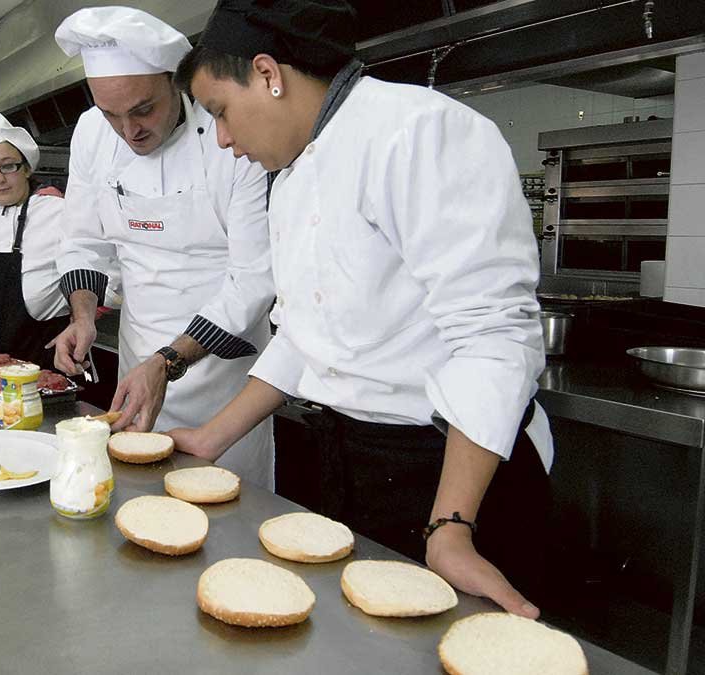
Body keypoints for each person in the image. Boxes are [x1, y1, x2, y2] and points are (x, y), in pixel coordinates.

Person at [170, 0, 554, 619]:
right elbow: (304, 334)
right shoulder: (293, 174)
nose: (224, 139)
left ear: (268, 73)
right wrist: (208, 439)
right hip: (354, 457)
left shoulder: (420, 131)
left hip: (453, 469)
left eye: (219, 112)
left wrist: (451, 526)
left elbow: (493, 338)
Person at [49, 7, 277, 488]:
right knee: (141, 501)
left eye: (143, 109)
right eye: (112, 114)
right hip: (138, 363)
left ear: (176, 83)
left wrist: (167, 362)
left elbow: (254, 277)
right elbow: (84, 240)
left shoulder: (230, 136)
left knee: (227, 509)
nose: (129, 131)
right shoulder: (92, 133)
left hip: (225, 376)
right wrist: (83, 316)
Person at [0, 112, 69, 369]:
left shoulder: (55, 212)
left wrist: (81, 317)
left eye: (8, 165)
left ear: (26, 168)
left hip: (45, 361)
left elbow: (105, 266)